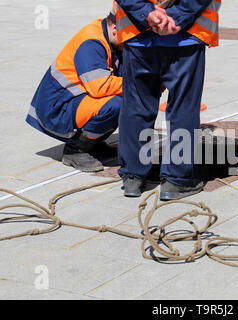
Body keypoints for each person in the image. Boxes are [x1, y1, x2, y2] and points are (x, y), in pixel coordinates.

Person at [114, 0, 221, 200]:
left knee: (136, 106)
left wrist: (147, 13)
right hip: (186, 36)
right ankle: (175, 180)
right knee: (183, 107)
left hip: (138, 35)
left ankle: (133, 177)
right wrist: (178, 16)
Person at [26, 12, 124, 172]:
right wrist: (139, 85)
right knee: (116, 105)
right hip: (57, 110)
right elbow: (100, 87)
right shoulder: (91, 42)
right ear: (115, 28)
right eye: (131, 35)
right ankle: (76, 149)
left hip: (73, 101)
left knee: (125, 97)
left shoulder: (112, 40)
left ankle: (94, 144)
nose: (134, 41)